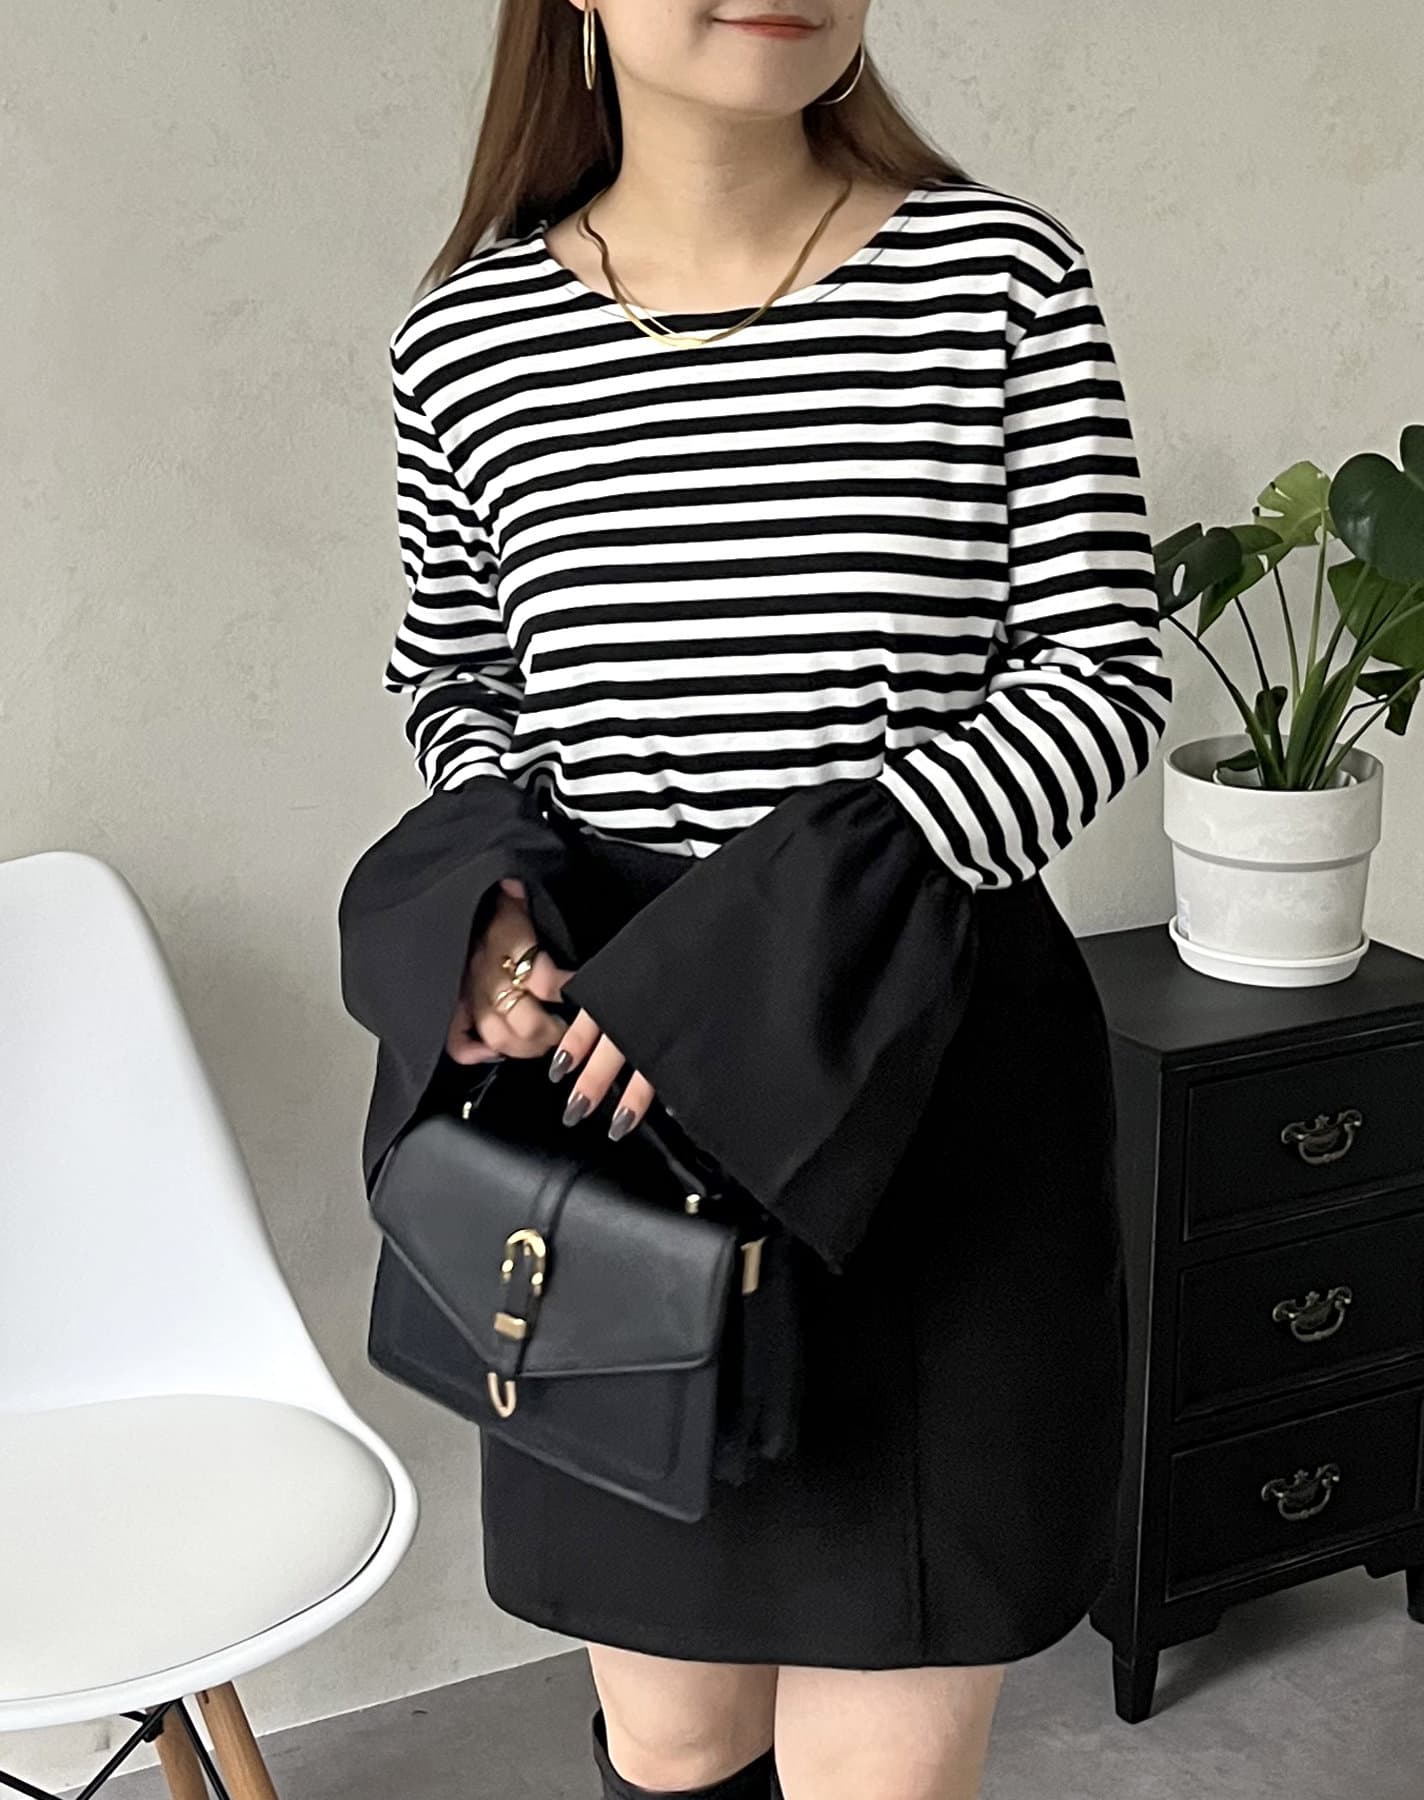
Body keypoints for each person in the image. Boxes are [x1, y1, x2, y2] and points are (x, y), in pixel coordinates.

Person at [337, 3, 1173, 1796]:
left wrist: (790, 921)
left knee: (887, 1765)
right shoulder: (467, 337)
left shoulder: (994, 278)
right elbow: (459, 684)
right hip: (612, 1119)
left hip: (930, 1083)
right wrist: (492, 913)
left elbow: (1102, 678)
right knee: (673, 1738)